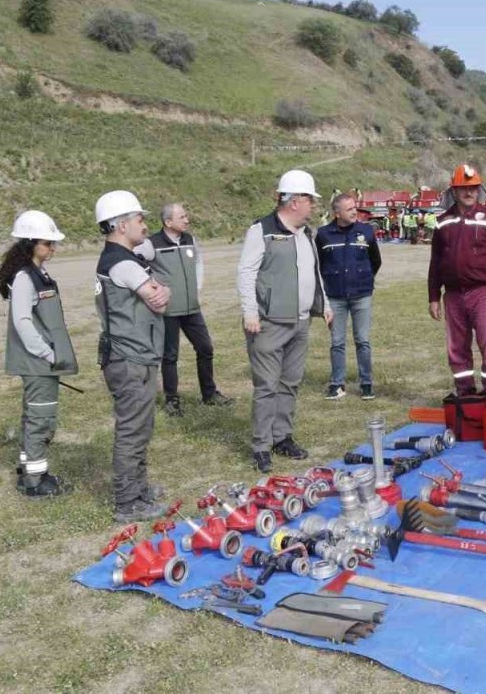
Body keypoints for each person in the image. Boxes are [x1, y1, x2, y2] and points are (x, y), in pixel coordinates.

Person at [238, 170, 333, 473]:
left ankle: (283, 437)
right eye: (310, 200)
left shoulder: (307, 233)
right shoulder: (261, 230)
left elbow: (313, 272)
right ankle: (262, 446)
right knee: (267, 386)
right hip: (268, 322)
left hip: (301, 321)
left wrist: (325, 304)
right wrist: (250, 312)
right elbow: (246, 272)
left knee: (290, 383)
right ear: (294, 201)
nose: (314, 206)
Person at [93, 190, 172, 523]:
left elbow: (159, 296)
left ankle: (138, 489)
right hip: (130, 357)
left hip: (134, 353)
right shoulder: (122, 262)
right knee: (132, 429)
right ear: (122, 224)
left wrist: (160, 291)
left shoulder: (125, 258)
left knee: (142, 425)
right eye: (140, 219)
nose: (145, 224)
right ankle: (127, 502)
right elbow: (160, 298)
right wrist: (160, 290)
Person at [0, 210, 76, 498]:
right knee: (40, 419)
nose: (52, 248)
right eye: (47, 243)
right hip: (38, 362)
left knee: (36, 416)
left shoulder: (38, 273)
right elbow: (22, 322)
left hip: (42, 361)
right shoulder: (24, 278)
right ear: (29, 243)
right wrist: (47, 353)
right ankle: (34, 482)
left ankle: (31, 469)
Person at [428, 163, 486, 397]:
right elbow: (435, 262)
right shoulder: (443, 221)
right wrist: (434, 297)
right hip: (453, 295)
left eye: (473, 188)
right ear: (453, 190)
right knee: (456, 348)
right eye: (463, 188)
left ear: (479, 190)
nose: (469, 193)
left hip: (484, 292)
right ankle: (465, 395)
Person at [144, 203, 231, 416]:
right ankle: (172, 400)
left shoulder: (190, 240)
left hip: (192, 309)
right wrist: (151, 286)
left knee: (205, 348)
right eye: (182, 217)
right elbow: (135, 265)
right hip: (168, 311)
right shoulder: (150, 244)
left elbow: (198, 262)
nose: (187, 220)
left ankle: (209, 394)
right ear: (168, 222)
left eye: (186, 216)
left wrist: (196, 287)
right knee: (170, 356)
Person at [316, 192, 382, 400]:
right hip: (335, 297)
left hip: (361, 295)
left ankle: (366, 384)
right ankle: (337, 384)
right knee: (337, 342)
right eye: (349, 209)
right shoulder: (323, 235)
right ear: (337, 213)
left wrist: (364, 280)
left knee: (362, 340)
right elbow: (318, 265)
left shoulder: (366, 232)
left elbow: (375, 261)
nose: (355, 211)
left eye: (355, 207)